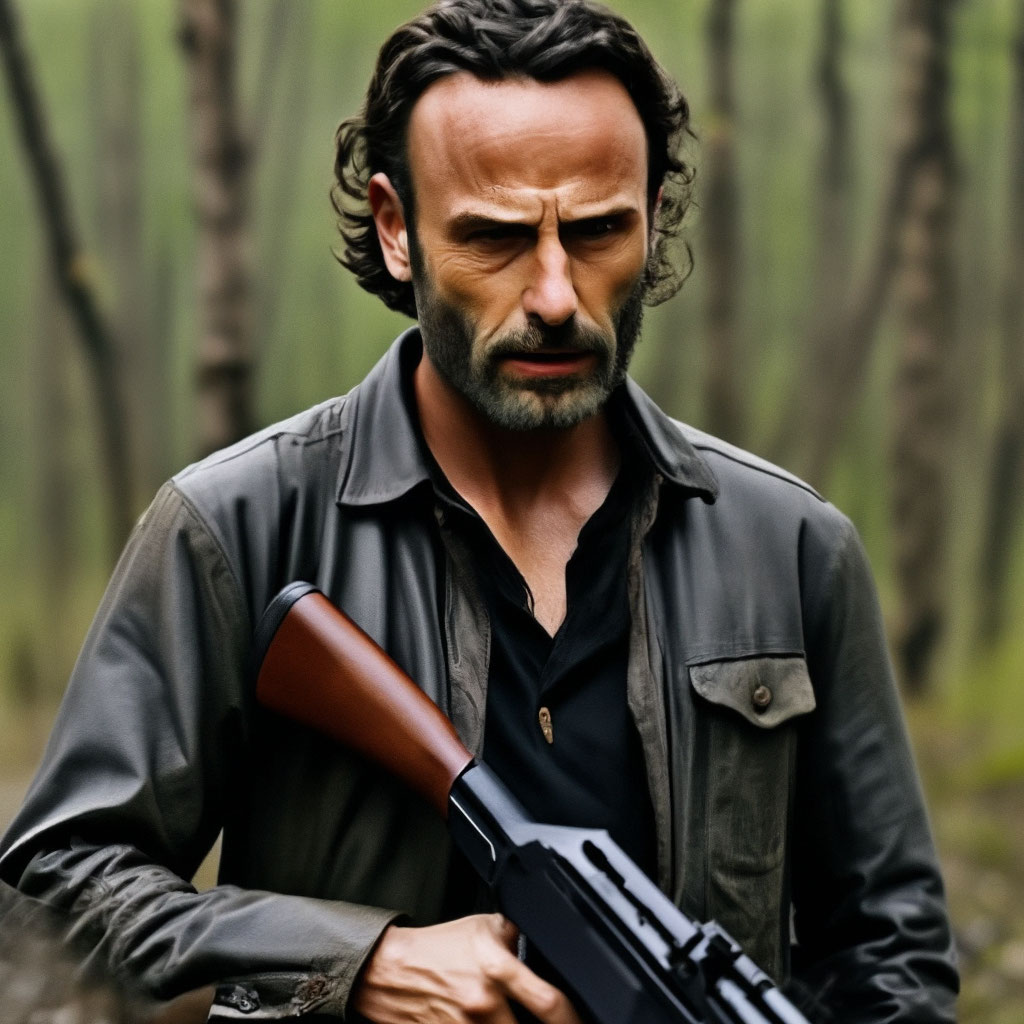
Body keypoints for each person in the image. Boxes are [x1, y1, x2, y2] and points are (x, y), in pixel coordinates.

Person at [0, 1, 958, 1021]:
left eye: (598, 230)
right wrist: (356, 963)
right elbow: (51, 895)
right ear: (395, 228)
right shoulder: (237, 529)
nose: (555, 295)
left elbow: (892, 958)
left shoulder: (792, 550)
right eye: (495, 237)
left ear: (652, 216)